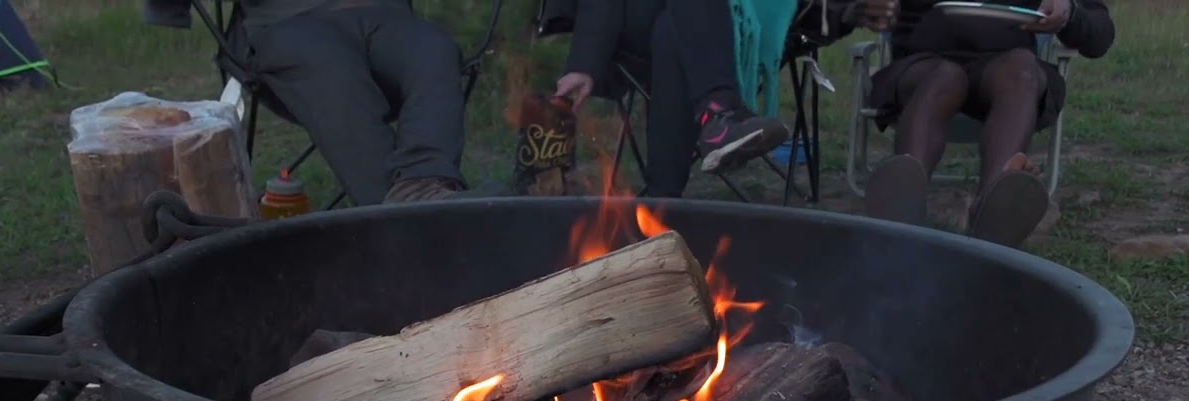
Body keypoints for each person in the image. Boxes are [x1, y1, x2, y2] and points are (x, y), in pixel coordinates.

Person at [143, 0, 497, 205]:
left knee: (433, 49)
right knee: (328, 66)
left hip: (384, 15)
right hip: (288, 23)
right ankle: (407, 221)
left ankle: (423, 186)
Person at [850, 0, 1115, 246]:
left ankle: (992, 212)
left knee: (1021, 71)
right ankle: (903, 210)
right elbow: (833, 11)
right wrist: (863, 8)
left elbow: (1100, 35)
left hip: (1002, 68)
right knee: (944, 77)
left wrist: (1068, 11)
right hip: (919, 65)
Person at [552, 0, 796, 198]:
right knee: (675, 25)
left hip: (736, 10)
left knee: (669, 30)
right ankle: (718, 115)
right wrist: (584, 62)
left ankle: (662, 200)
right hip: (623, 13)